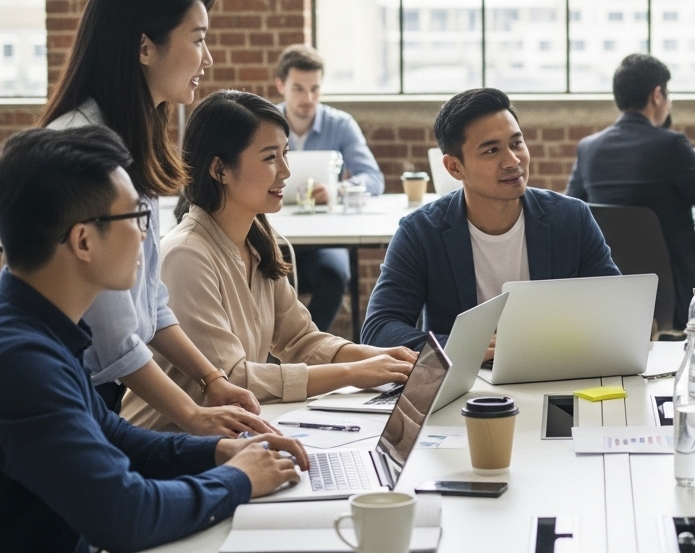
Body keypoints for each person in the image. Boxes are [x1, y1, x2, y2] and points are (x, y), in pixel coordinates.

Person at [0, 126, 307, 552]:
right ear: (83, 240)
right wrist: (239, 479)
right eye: (136, 217)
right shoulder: (18, 363)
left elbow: (112, 436)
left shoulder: (24, 319)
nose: (145, 235)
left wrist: (218, 453)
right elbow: (125, 515)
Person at [39, 0, 275, 437]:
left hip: (95, 390)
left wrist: (212, 381)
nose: (207, 59)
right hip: (61, 393)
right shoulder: (82, 149)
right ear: (146, 47)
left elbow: (148, 301)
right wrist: (193, 414)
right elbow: (113, 335)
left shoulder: (128, 139)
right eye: (199, 38)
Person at [122, 91, 418, 431]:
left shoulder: (258, 243)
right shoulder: (186, 255)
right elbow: (234, 380)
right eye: (269, 158)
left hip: (228, 435)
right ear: (219, 169)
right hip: (166, 447)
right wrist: (352, 373)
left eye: (285, 154)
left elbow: (301, 340)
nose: (286, 171)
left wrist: (382, 358)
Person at [362, 88, 620, 350]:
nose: (512, 161)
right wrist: (468, 347)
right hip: (465, 382)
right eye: (491, 151)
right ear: (455, 167)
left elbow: (616, 309)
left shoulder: (571, 218)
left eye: (516, 143)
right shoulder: (420, 233)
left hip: (555, 370)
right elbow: (379, 329)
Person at [566, 53, 695, 328]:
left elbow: (570, 217)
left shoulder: (588, 148)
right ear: (657, 95)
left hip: (609, 289)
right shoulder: (672, 146)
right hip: (674, 293)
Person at [273, 43, 385, 331]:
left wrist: (337, 190)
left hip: (326, 237)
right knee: (258, 274)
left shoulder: (341, 125)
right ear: (280, 86)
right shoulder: (264, 123)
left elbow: (373, 178)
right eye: (298, 88)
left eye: (315, 89)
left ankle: (307, 349)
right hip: (273, 234)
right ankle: (270, 354)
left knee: (334, 276)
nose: (308, 98)